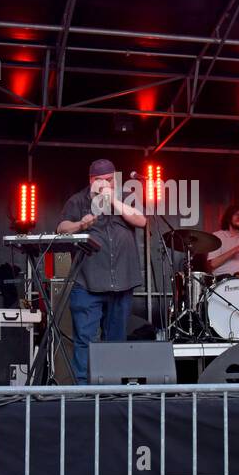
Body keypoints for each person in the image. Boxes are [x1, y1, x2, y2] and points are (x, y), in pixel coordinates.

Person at [57, 158, 147, 384]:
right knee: (85, 339)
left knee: (116, 340)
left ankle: (112, 389)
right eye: (101, 180)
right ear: (91, 181)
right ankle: (83, 391)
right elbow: (61, 228)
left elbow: (142, 221)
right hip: (88, 282)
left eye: (110, 179)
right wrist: (80, 225)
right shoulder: (78, 200)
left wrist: (114, 201)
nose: (106, 184)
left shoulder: (124, 198)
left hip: (122, 281)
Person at [206, 203, 239, 277]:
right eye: (236, 214)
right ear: (228, 218)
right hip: (224, 281)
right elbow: (213, 264)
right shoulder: (217, 236)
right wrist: (234, 250)